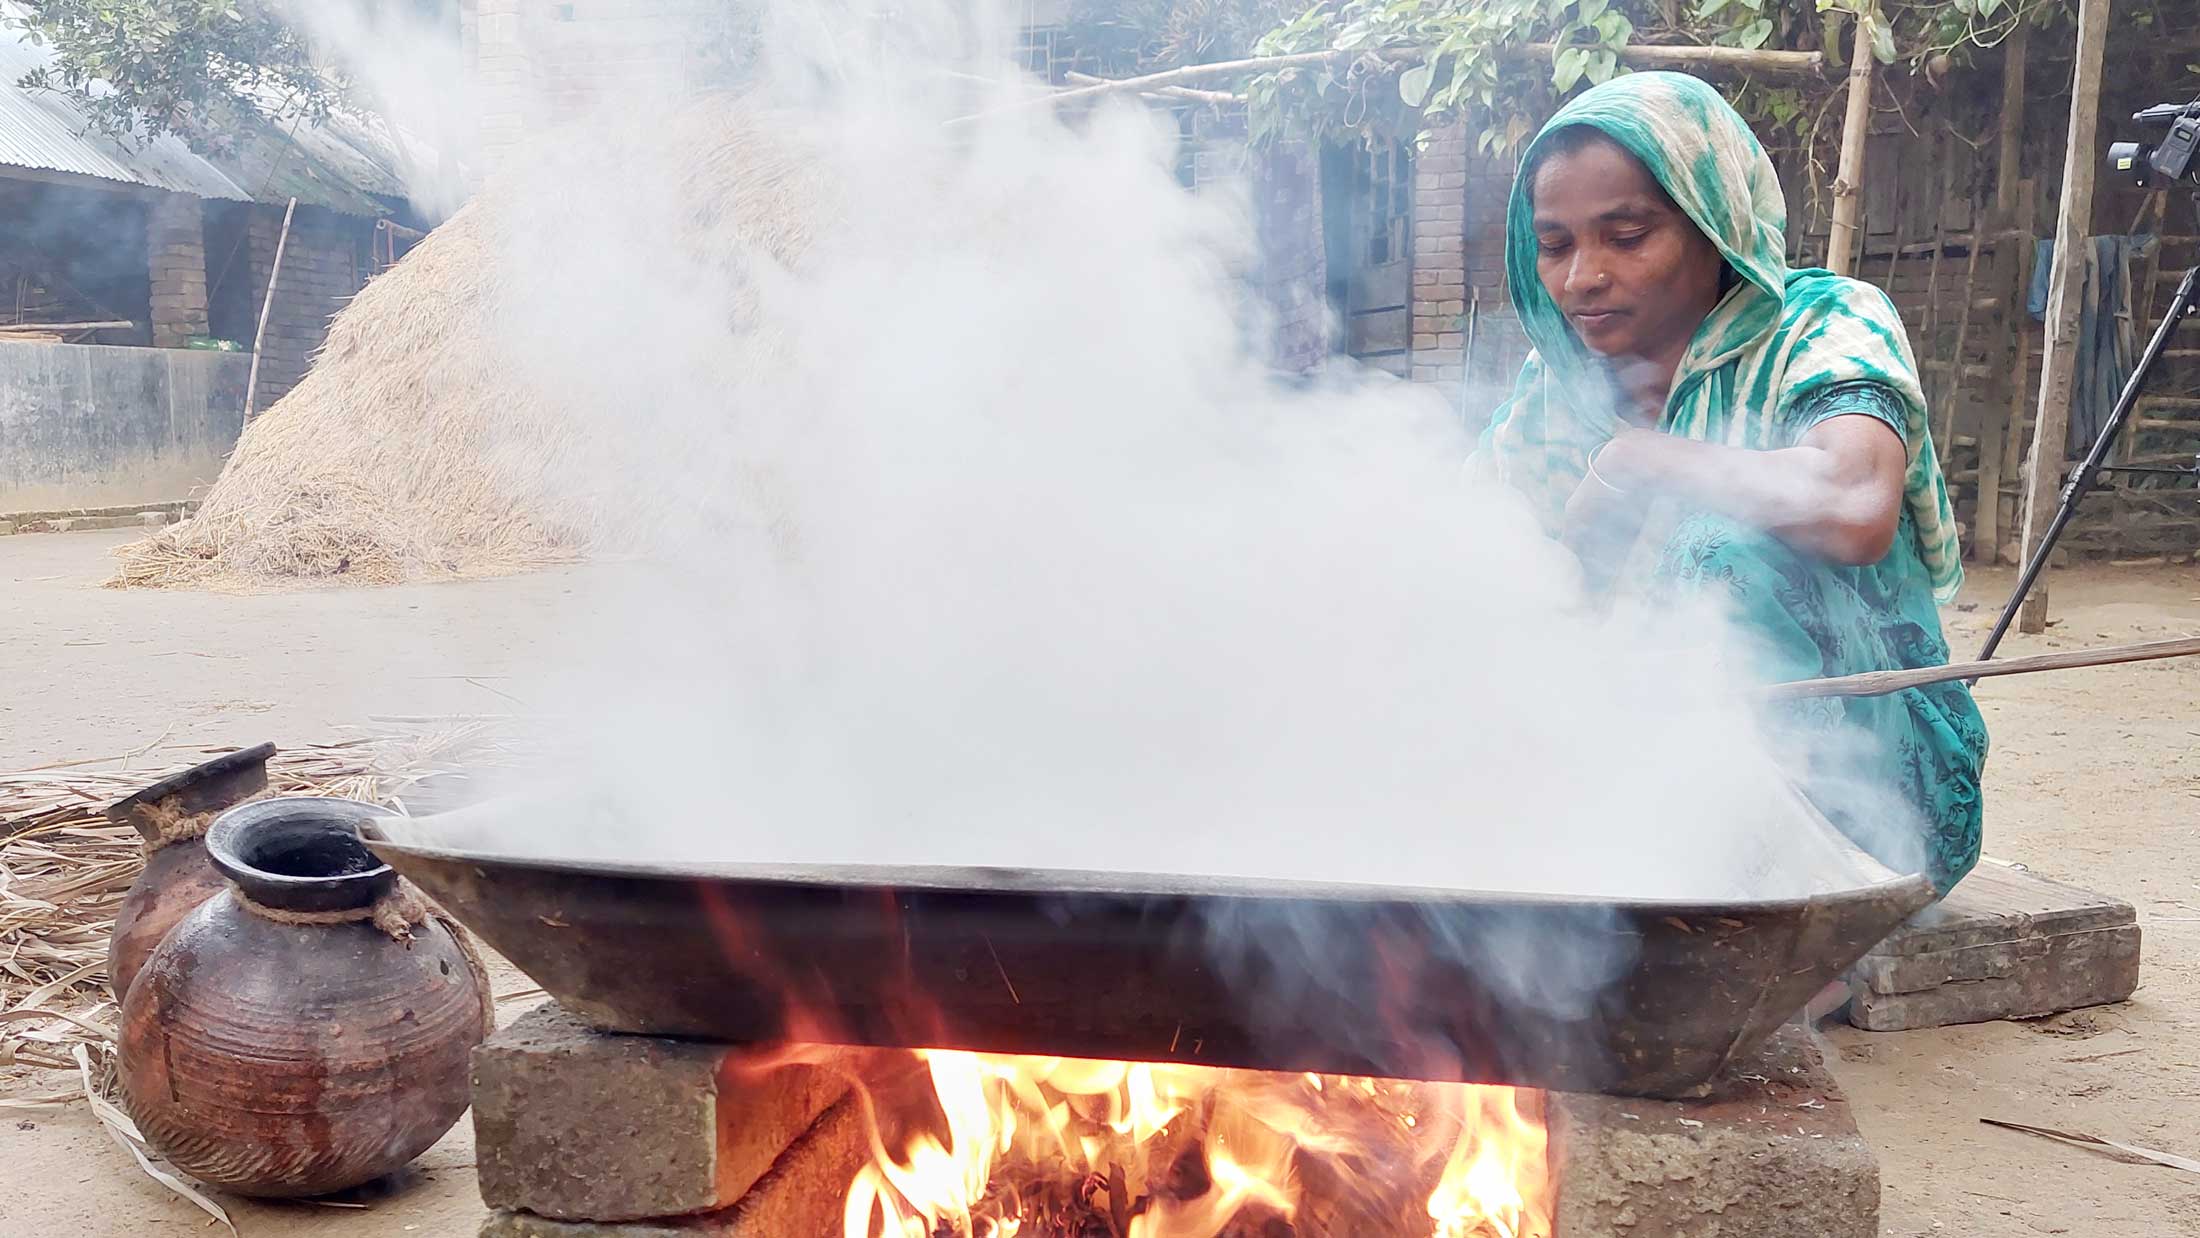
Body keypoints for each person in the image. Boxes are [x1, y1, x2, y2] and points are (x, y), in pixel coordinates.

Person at [1472, 72, 1987, 895]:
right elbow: (1469, 559)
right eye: (1557, 244)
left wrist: (1641, 463)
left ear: (1715, 227)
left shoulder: (1823, 324)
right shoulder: (1558, 389)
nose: (1582, 277)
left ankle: (1784, 914)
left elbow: (1854, 504)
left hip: (1879, 799)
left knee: (1720, 554)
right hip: (1633, 792)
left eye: (1627, 235)